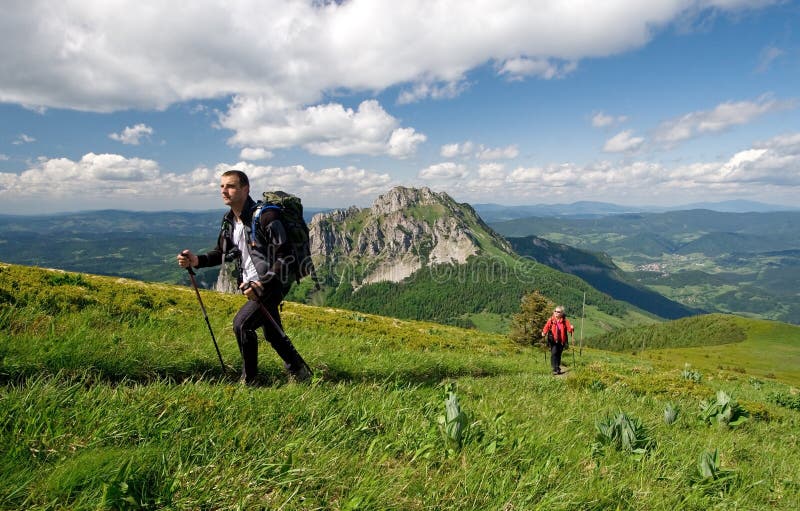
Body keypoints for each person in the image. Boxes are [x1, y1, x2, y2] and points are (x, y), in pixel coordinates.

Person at [177, 170, 311, 384]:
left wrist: (262, 283)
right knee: (272, 331)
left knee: (242, 324)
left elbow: (286, 257)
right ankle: (299, 371)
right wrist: (196, 261)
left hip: (270, 283)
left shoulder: (267, 216)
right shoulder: (229, 220)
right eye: (221, 186)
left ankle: (249, 381)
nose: (224, 191)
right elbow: (221, 252)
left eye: (230, 186)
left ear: (245, 188)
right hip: (251, 284)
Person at [542, 305, 574, 375]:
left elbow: (569, 330)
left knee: (559, 354)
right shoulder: (551, 320)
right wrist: (544, 332)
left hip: (561, 341)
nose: (556, 313)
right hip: (553, 339)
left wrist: (571, 328)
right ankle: (554, 368)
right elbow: (546, 327)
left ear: (562, 313)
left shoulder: (565, 321)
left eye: (558, 312)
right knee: (554, 353)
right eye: (555, 311)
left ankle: (557, 367)